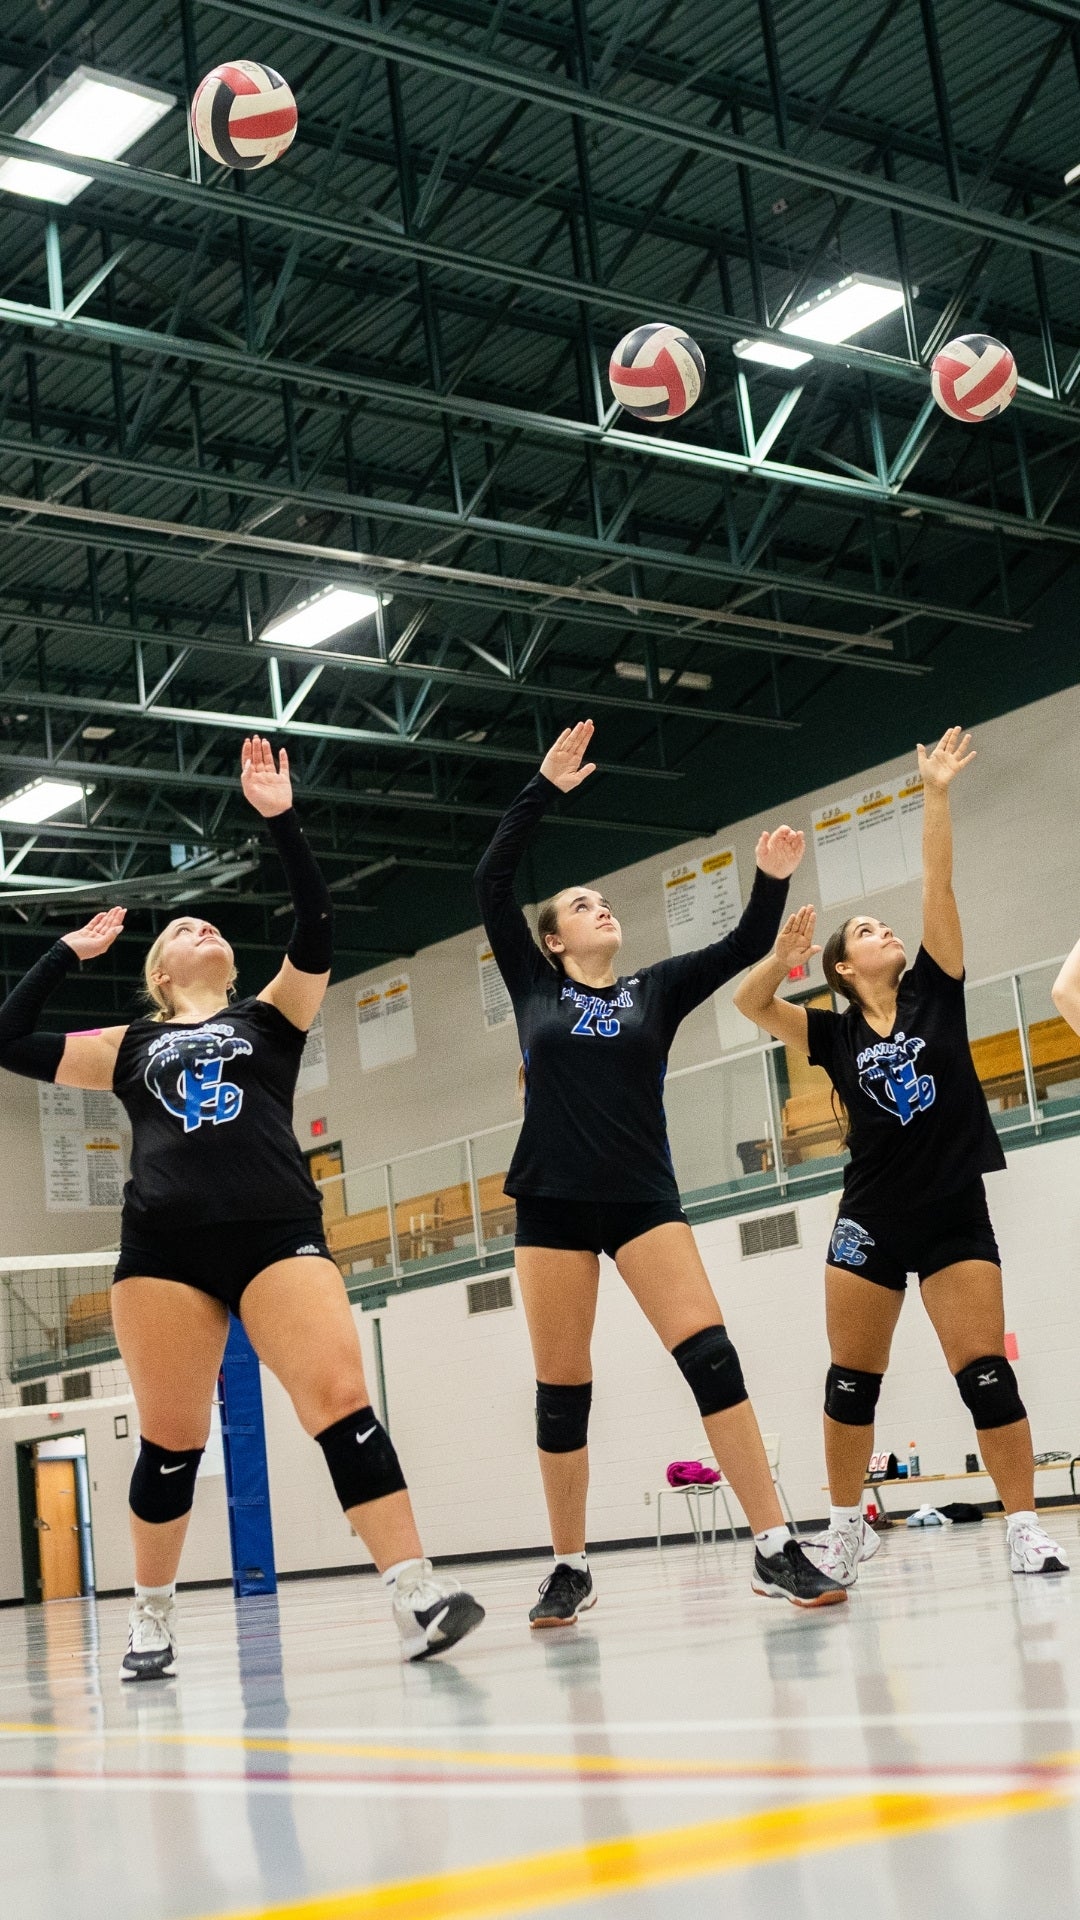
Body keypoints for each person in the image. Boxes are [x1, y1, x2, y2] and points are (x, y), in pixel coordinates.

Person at [0, 736, 484, 1676]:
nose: (201, 928)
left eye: (210, 926)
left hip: (276, 1231)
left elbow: (316, 927)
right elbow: (8, 1038)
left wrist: (281, 820)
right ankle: (150, 1617)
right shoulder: (126, 1044)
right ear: (160, 975)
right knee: (172, 1443)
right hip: (164, 1251)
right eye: (182, 929)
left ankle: (415, 1591)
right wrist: (65, 950)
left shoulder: (271, 1016)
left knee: (341, 1401)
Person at [475, 719, 846, 1622]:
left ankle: (774, 1546)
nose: (602, 908)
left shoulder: (655, 991)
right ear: (553, 940)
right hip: (552, 1203)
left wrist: (771, 877)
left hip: (644, 1198)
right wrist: (543, 787)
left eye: (606, 901)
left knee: (713, 1359)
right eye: (582, 904)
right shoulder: (534, 985)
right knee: (563, 1392)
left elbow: (745, 944)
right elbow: (490, 880)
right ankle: (570, 1566)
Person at [734, 727, 1068, 1585]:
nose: (886, 931)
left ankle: (1025, 1527)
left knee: (986, 1375)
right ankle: (847, 1528)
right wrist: (780, 957)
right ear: (845, 968)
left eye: (886, 926)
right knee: (851, 1381)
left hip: (954, 1209)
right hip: (871, 1218)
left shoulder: (935, 990)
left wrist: (936, 793)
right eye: (867, 930)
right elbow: (750, 1004)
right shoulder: (831, 1033)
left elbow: (937, 884)